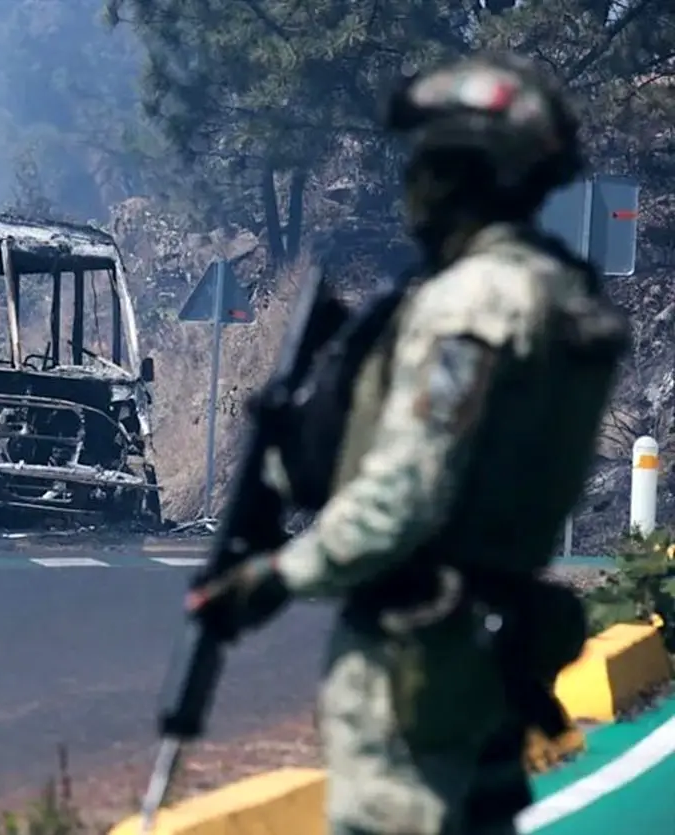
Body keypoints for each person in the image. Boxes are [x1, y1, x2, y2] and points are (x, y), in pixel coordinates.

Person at [185, 53, 632, 835]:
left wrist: (276, 575)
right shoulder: (564, 293)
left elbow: (407, 495)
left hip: (420, 654)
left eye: (429, 163)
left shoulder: (473, 305)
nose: (412, 184)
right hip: (498, 640)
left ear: (466, 175)